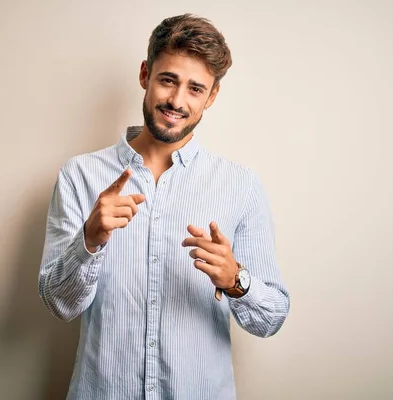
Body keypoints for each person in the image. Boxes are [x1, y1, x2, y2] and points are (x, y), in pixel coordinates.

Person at [38, 13, 290, 399]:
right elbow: (59, 305)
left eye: (195, 88)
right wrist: (89, 239)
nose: (176, 101)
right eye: (168, 80)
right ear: (145, 75)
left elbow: (271, 317)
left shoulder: (241, 187)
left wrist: (235, 280)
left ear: (212, 96)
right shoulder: (80, 176)